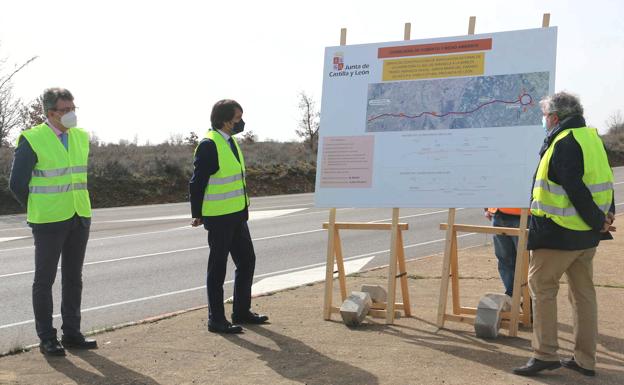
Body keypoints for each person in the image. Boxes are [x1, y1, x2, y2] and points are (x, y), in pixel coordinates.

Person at [513, 92, 615, 377]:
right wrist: (605, 217)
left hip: (560, 233)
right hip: (585, 237)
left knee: (542, 288)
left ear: (555, 117)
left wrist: (598, 220)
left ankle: (544, 353)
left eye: (546, 117)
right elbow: (605, 179)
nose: (544, 121)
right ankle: (585, 359)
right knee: (583, 295)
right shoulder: (591, 137)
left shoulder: (564, 142)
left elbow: (575, 188)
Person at [9, 88, 97, 356]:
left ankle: (72, 332)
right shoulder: (32, 139)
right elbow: (16, 184)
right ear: (51, 113)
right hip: (48, 221)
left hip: (79, 216)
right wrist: (38, 206)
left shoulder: (81, 137)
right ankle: (47, 337)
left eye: (73, 108)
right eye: (66, 109)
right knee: (44, 280)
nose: (71, 114)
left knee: (73, 278)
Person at [189, 99, 268, 334]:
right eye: (237, 119)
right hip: (219, 217)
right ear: (224, 121)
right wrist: (197, 213)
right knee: (218, 268)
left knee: (247, 261)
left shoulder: (230, 141)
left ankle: (241, 312)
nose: (241, 123)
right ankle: (216, 319)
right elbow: (197, 182)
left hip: (236, 215)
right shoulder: (209, 145)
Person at [484, 207, 521, 297]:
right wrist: (487, 208)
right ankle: (512, 296)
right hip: (498, 214)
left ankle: (528, 300)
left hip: (522, 215)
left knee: (524, 261)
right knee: (504, 259)